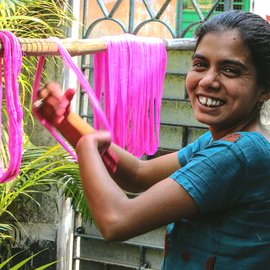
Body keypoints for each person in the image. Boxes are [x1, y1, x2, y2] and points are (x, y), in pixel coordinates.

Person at [35, 10, 270, 269]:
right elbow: (138, 174)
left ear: (265, 89)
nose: (208, 80)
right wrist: (66, 121)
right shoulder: (227, 142)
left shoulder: (238, 153)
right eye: (200, 64)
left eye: (231, 70)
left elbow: (116, 221)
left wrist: (86, 146)